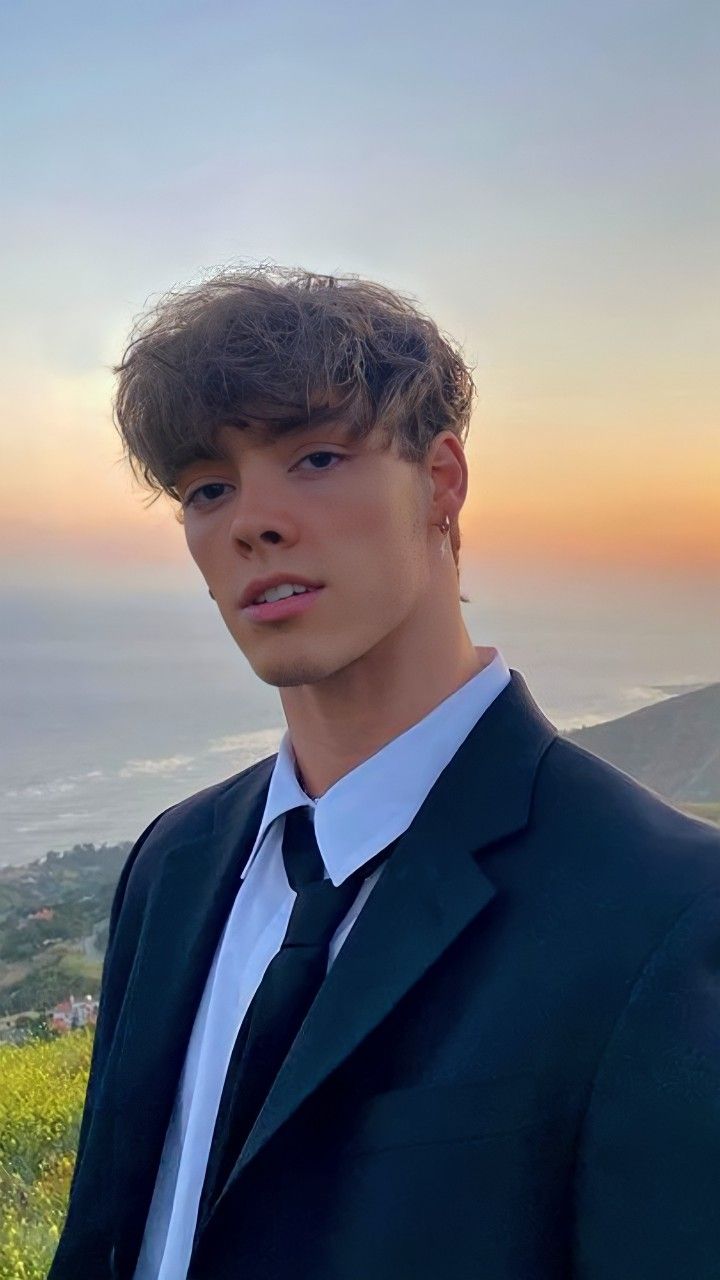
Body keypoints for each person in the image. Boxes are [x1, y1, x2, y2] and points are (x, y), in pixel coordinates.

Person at [49, 266, 720, 1280]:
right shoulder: (172, 864)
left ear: (442, 480)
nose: (250, 521)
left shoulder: (665, 908)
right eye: (207, 488)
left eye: (315, 456)